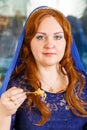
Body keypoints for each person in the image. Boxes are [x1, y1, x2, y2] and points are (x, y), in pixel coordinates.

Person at [0, 6, 87, 130]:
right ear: (28, 43)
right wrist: (3, 114)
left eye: (57, 37)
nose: (50, 45)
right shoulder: (15, 88)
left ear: (67, 42)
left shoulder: (83, 83)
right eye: (40, 37)